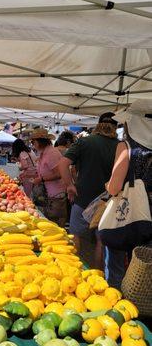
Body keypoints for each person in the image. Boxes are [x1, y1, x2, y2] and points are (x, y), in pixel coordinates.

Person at [59, 112, 118, 268]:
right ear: (115, 127)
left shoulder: (84, 142)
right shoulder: (120, 146)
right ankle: (97, 276)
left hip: (82, 198)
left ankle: (73, 271)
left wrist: (70, 185)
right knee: (101, 241)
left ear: (98, 125)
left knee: (75, 236)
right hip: (108, 202)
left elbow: (62, 164)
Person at [105, 100, 152, 288]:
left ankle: (121, 302)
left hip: (134, 216)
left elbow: (115, 187)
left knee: (119, 260)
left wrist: (108, 185)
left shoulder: (127, 146)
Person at [30, 128, 67, 226]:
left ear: (39, 142)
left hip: (56, 195)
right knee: (50, 223)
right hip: (49, 195)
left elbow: (59, 173)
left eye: (33, 141)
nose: (32, 144)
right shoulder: (44, 153)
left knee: (55, 224)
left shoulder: (51, 153)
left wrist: (41, 179)